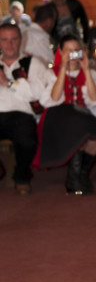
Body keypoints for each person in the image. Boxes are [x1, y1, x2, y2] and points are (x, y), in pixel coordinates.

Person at [37, 34, 96, 195]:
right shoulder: (52, 73)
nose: (73, 55)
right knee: (81, 132)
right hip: (58, 116)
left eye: (76, 50)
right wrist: (63, 69)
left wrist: (86, 69)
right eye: (69, 51)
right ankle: (75, 179)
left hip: (81, 116)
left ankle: (79, 176)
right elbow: (53, 98)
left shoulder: (90, 73)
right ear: (61, 51)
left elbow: (94, 99)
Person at [0, 21, 54, 194]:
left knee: (27, 141)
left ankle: (21, 176)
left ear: (21, 40)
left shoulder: (32, 63)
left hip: (20, 115)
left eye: (14, 39)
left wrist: (8, 83)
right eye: (4, 40)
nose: (9, 44)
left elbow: (36, 93)